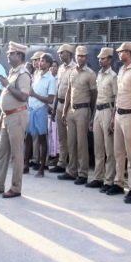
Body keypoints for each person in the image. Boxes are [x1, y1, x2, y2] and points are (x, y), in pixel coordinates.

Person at [0, 42, 31, 198]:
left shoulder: (23, 74)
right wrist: (2, 116)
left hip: (17, 116)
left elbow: (23, 96)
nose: (8, 56)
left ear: (19, 56)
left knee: (16, 154)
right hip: (7, 116)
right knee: (2, 153)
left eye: (11, 53)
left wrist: (7, 85)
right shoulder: (12, 72)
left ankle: (16, 187)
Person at [62, 46, 98, 186]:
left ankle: (83, 173)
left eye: (83, 56)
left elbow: (94, 96)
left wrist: (91, 114)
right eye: (78, 56)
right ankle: (72, 171)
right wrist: (65, 110)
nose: (80, 58)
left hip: (83, 110)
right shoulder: (72, 72)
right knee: (71, 142)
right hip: (71, 110)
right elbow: (68, 92)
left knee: (82, 144)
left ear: (86, 58)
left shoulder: (90, 74)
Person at [113, 42, 131, 198]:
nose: (119, 54)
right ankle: (118, 182)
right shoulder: (121, 70)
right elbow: (118, 95)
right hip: (118, 114)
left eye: (121, 52)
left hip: (130, 115)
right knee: (119, 152)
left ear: (129, 53)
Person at [89, 47, 117, 189]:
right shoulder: (99, 75)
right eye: (99, 58)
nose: (100, 60)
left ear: (110, 60)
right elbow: (97, 98)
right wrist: (93, 117)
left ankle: (109, 179)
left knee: (109, 148)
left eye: (103, 58)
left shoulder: (113, 76)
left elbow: (116, 98)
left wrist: (113, 118)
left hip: (108, 110)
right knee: (98, 147)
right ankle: (98, 177)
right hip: (98, 111)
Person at [25, 53, 57, 178]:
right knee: (28, 137)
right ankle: (26, 165)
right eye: (40, 61)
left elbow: (50, 99)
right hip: (32, 109)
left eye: (43, 61)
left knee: (42, 139)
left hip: (41, 110)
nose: (40, 63)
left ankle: (42, 168)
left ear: (48, 64)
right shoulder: (37, 75)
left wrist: (34, 95)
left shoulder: (51, 79)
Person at [51, 45, 77, 178]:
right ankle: (61, 163)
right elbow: (58, 89)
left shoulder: (74, 68)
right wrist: (55, 108)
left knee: (71, 139)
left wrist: (66, 110)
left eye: (62, 53)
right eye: (59, 53)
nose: (60, 55)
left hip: (70, 106)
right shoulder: (61, 69)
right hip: (59, 103)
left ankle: (72, 167)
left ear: (69, 53)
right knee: (62, 137)